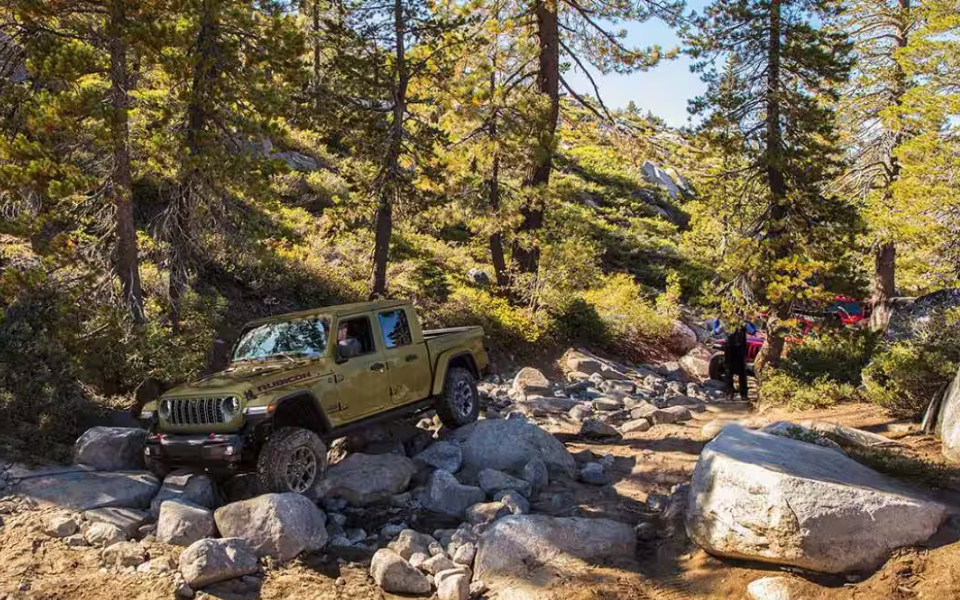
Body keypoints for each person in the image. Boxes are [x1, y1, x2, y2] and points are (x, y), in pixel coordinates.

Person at [724, 323, 749, 400]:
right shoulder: (726, 321)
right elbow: (716, 331)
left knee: (742, 373)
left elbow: (753, 331)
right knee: (728, 371)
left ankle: (743, 394)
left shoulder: (743, 322)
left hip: (740, 349)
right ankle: (730, 393)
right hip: (729, 349)